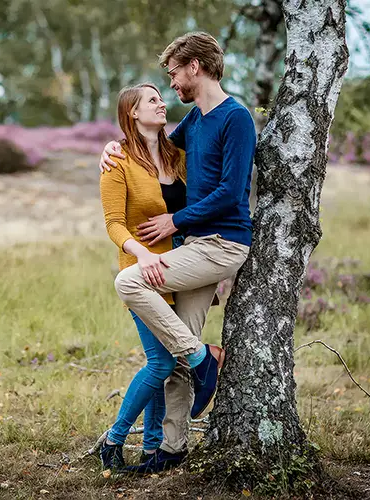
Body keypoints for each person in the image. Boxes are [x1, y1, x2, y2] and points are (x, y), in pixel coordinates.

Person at [97, 31, 256, 474]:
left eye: (174, 73)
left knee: (129, 281)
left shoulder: (235, 117)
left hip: (222, 243)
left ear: (195, 67)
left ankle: (205, 359)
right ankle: (171, 449)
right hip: (194, 247)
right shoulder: (194, 121)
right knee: (174, 358)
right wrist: (113, 147)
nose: (172, 85)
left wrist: (174, 221)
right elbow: (152, 147)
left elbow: (231, 192)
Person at [98, 82, 188, 470]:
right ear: (132, 112)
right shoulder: (117, 160)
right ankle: (114, 439)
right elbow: (114, 224)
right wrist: (141, 254)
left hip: (182, 270)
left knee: (165, 359)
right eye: (152, 99)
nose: (161, 103)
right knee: (161, 363)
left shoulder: (177, 154)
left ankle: (152, 448)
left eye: (161, 97)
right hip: (141, 274)